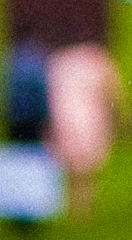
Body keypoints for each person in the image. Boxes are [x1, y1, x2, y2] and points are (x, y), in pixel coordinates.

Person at [45, 39, 120, 220]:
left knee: (71, 166)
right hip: (90, 118)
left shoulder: (59, 60)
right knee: (88, 167)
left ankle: (74, 206)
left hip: (64, 118)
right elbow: (113, 90)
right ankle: (83, 208)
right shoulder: (97, 59)